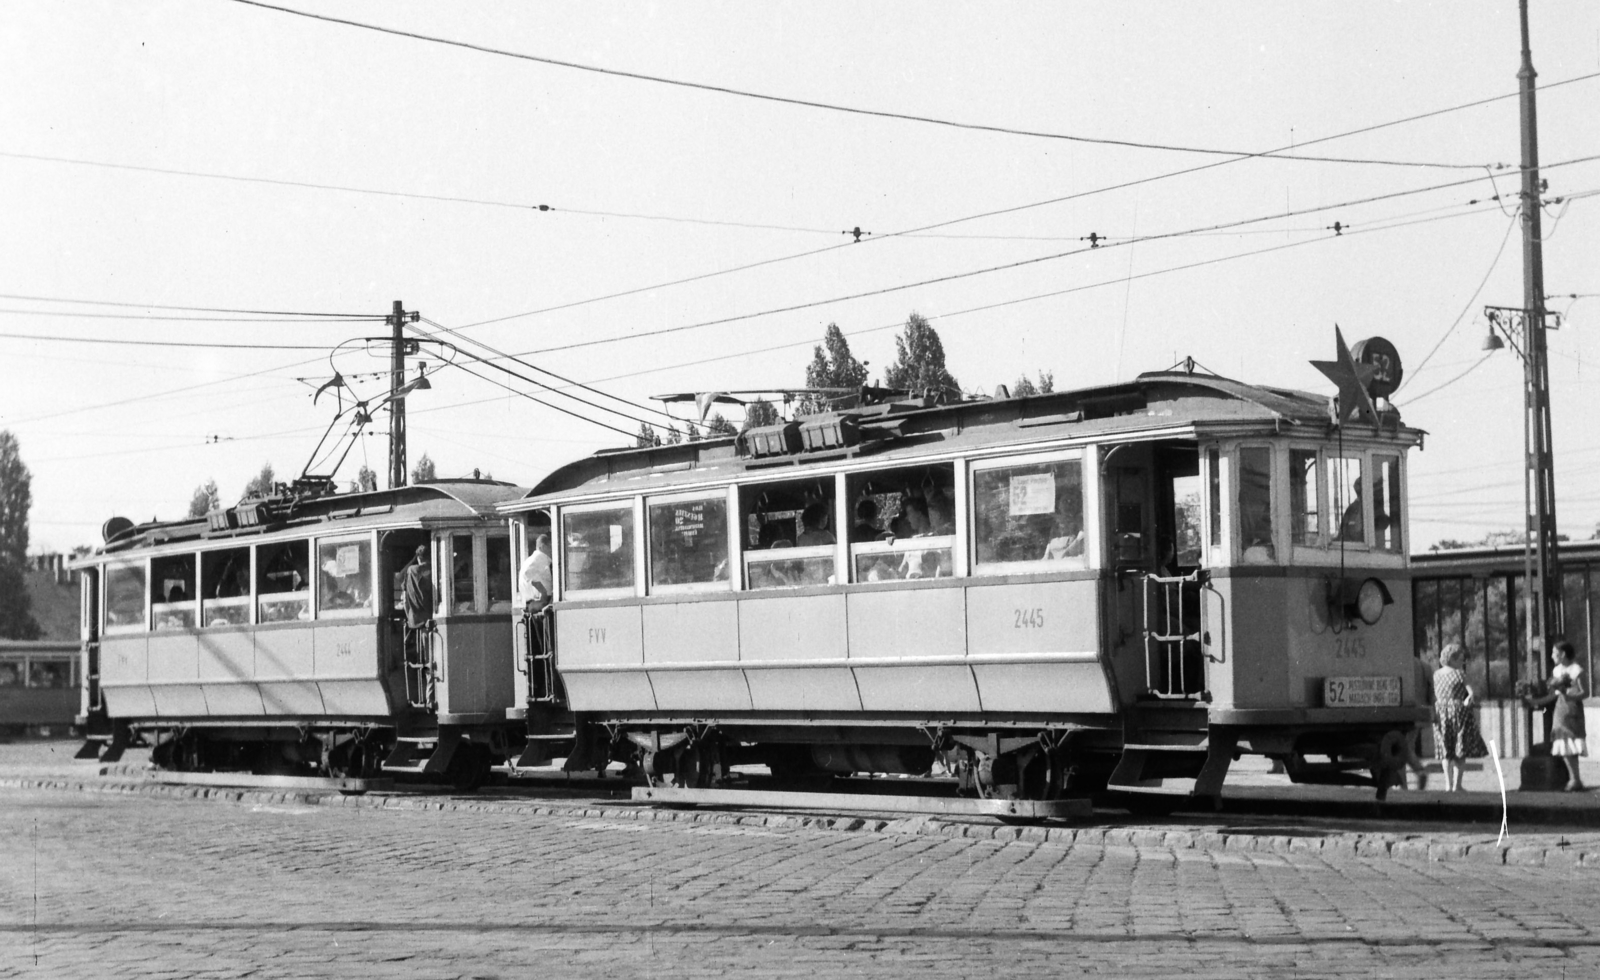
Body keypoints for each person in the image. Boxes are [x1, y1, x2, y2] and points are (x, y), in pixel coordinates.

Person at [1527, 639, 1587, 792]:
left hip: (1573, 709)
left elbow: (1584, 692)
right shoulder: (1556, 671)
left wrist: (1570, 697)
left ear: (1563, 654)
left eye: (1554, 653)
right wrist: (1536, 700)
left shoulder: (1576, 670)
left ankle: (1575, 779)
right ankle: (1574, 779)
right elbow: (1555, 694)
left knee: (1572, 741)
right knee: (1562, 742)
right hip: (1560, 710)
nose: (1552, 656)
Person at [1432, 642, 1488, 792]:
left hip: (1441, 713)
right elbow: (1471, 693)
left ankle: (1447, 784)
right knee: (1459, 748)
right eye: (1460, 659)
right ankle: (1457, 785)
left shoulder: (1436, 675)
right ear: (1453, 659)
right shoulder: (1459, 674)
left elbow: (1434, 694)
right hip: (1458, 712)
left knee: (1445, 749)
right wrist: (1468, 700)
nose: (1462, 662)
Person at [401, 545, 434, 704]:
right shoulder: (433, 570)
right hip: (432, 622)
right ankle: (430, 698)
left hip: (416, 623)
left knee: (426, 661)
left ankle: (427, 699)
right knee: (432, 661)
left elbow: (402, 587)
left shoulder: (410, 572)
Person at [520, 534, 553, 612]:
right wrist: (543, 592)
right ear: (543, 547)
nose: (552, 550)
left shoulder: (531, 559)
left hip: (531, 603)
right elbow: (527, 573)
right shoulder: (541, 558)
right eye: (550, 547)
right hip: (540, 603)